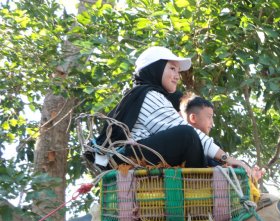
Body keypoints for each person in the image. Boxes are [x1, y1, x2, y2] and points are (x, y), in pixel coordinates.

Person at [96, 46, 252, 175]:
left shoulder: (143, 94)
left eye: (178, 71)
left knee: (199, 143)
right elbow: (181, 130)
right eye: (172, 68)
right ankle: (201, 187)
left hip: (137, 154)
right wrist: (226, 158)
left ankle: (222, 171)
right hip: (129, 158)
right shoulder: (149, 96)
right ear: (155, 69)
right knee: (187, 135)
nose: (177, 76)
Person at [180, 94, 263, 202]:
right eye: (209, 117)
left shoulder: (212, 146)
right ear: (193, 118)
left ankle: (249, 179)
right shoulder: (188, 140)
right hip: (199, 189)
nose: (212, 123)